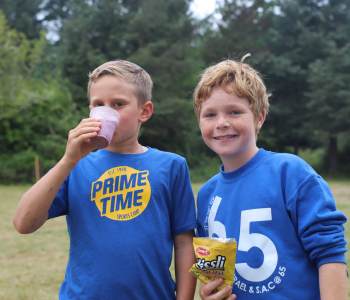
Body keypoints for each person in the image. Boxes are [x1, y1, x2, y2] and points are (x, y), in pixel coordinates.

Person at [13, 60, 197, 300]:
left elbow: (184, 242)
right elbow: (23, 223)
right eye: (98, 105)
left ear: (145, 111)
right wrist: (68, 160)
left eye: (118, 104)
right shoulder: (76, 165)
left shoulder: (172, 166)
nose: (106, 112)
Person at [193, 58, 348, 299]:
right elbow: (214, 274)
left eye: (234, 112)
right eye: (210, 114)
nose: (222, 123)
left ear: (259, 117)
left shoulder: (290, 172)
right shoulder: (206, 194)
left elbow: (330, 254)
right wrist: (210, 293)